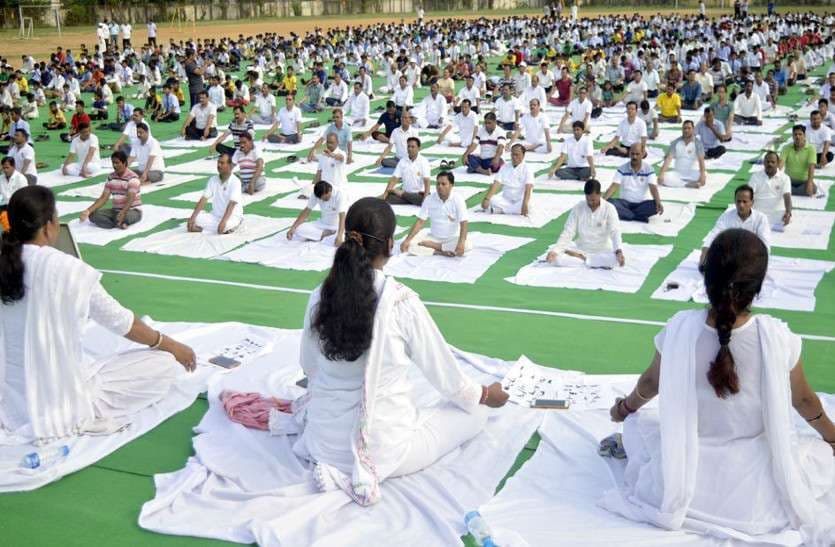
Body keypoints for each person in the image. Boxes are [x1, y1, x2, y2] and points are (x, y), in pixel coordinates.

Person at [604, 228, 835, 545]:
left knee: (639, 427)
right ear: (759, 285)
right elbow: (805, 401)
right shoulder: (777, 336)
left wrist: (624, 409)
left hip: (682, 480)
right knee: (819, 455)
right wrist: (833, 437)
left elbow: (649, 382)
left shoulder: (680, 327)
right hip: (757, 499)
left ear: (705, 275)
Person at [273, 196, 509, 505]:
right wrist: (487, 395)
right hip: (383, 449)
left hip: (322, 442)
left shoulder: (320, 295)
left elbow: (309, 367)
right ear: (389, 244)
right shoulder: (400, 301)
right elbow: (450, 381)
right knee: (474, 412)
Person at [0, 186, 196, 441]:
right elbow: (122, 322)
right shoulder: (69, 269)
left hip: (11, 400)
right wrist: (170, 344)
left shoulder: (6, 262)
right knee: (164, 364)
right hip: (64, 401)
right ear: (49, 226)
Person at [546, 179, 625, 268]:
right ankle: (589, 260)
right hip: (581, 248)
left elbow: (615, 231)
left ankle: (584, 259)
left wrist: (618, 251)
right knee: (556, 257)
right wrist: (556, 251)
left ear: (600, 194)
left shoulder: (609, 208)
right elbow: (568, 231)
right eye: (588, 199)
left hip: (603, 249)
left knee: (613, 261)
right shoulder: (578, 207)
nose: (591, 203)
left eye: (593, 200)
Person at [400, 171, 471, 257]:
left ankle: (435, 247)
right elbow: (420, 222)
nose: (440, 187)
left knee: (467, 244)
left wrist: (461, 243)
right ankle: (440, 252)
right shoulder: (429, 199)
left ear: (451, 185)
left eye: (443, 184)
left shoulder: (458, 199)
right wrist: (407, 240)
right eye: (438, 184)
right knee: (408, 244)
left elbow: (464, 223)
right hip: (433, 237)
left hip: (451, 238)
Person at [700, 184, 770, 266]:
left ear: (752, 202)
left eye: (745, 202)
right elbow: (713, 234)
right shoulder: (727, 216)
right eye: (738, 201)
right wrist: (705, 252)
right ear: (735, 201)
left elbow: (765, 245)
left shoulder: (761, 218)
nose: (741, 205)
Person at [79, 151, 143, 230]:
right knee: (92, 215)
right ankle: (118, 223)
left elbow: (131, 198)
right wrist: (88, 211)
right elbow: (103, 198)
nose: (114, 165)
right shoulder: (111, 177)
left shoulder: (133, 178)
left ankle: (119, 221)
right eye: (113, 163)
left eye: (117, 163)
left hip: (132, 210)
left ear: (124, 163)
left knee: (124, 217)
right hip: (116, 211)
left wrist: (123, 212)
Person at [604, 144, 663, 223]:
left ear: (642, 154)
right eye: (632, 154)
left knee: (655, 205)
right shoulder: (622, 168)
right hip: (624, 203)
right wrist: (603, 201)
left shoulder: (649, 169)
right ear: (629, 154)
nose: (634, 157)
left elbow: (653, 188)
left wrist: (658, 202)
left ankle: (627, 215)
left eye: (637, 154)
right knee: (609, 203)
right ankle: (636, 217)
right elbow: (614, 186)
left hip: (642, 204)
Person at [187, 154, 243, 235]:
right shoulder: (213, 180)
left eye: (222, 163)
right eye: (218, 162)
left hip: (231, 217)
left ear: (230, 165)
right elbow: (204, 199)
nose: (219, 165)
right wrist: (192, 218)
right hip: (215, 216)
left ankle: (202, 230)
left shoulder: (235, 182)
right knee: (196, 219)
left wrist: (223, 222)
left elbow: (232, 203)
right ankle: (215, 229)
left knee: (225, 226)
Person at [286, 180, 347, 247]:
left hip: (338, 225)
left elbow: (342, 216)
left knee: (344, 238)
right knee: (299, 229)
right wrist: (292, 228)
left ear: (330, 190)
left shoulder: (339, 194)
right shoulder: (316, 194)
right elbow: (307, 211)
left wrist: (340, 235)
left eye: (326, 198)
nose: (323, 200)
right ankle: (325, 234)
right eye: (322, 199)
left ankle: (327, 236)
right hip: (323, 224)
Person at [481, 143, 535, 216]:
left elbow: (528, 188)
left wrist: (525, 204)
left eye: (517, 155)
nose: (514, 157)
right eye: (512, 154)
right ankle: (510, 210)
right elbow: (496, 183)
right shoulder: (505, 167)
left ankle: (502, 210)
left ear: (523, 155)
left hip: (520, 200)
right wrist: (486, 199)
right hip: (506, 199)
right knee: (492, 200)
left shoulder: (528, 168)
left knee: (529, 205)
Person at [381, 137, 431, 206]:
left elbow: (427, 181)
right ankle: (408, 198)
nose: (410, 149)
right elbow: (394, 179)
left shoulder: (424, 161)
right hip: (406, 192)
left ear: (419, 148)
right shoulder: (402, 161)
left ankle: (402, 194)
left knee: (424, 199)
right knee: (389, 198)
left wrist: (425, 199)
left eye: (413, 147)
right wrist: (385, 194)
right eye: (408, 146)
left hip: (419, 194)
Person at [749, 151, 792, 228]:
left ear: (778, 163)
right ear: (764, 163)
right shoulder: (755, 176)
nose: (770, 164)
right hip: (759, 212)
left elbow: (787, 196)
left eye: (773, 162)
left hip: (777, 213)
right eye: (767, 162)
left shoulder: (785, 178)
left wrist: (788, 212)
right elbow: (749, 194)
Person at [657, 121, 706, 188]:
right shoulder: (676, 142)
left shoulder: (698, 143)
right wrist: (661, 173)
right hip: (678, 173)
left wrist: (702, 175)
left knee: (703, 175)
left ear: (693, 129)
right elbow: (668, 159)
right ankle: (686, 185)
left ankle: (682, 183)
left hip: (692, 173)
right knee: (665, 177)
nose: (686, 130)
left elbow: (701, 160)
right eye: (684, 128)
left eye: (689, 128)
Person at [780, 125, 817, 196]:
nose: (797, 137)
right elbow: (780, 164)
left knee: (813, 189)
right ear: (792, 136)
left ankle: (788, 191)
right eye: (795, 134)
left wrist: (809, 182)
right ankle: (790, 190)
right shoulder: (786, 148)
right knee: (778, 184)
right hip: (789, 180)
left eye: (800, 134)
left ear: (804, 135)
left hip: (804, 181)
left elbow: (811, 167)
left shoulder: (811, 148)